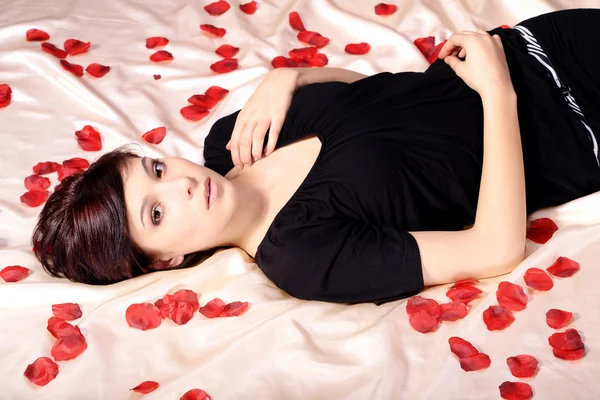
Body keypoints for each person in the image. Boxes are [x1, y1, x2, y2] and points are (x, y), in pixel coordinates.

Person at [33, 8, 600, 305]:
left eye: (155, 170)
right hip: (578, 126)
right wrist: (496, 93)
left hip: (534, 46)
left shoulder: (231, 138)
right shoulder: (303, 257)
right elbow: (494, 248)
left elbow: (367, 97)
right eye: (156, 214)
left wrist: (293, 75)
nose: (178, 184)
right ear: (164, 261)